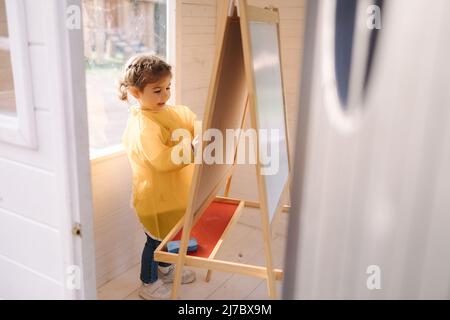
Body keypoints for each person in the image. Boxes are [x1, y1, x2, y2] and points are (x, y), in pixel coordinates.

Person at [119, 53, 197, 299]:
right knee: (154, 242)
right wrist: (192, 148)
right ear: (135, 92)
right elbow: (162, 160)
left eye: (167, 88)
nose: (165, 95)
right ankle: (148, 282)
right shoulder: (144, 125)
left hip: (171, 194)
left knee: (170, 234)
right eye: (157, 90)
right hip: (154, 198)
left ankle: (165, 267)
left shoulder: (165, 112)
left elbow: (186, 124)